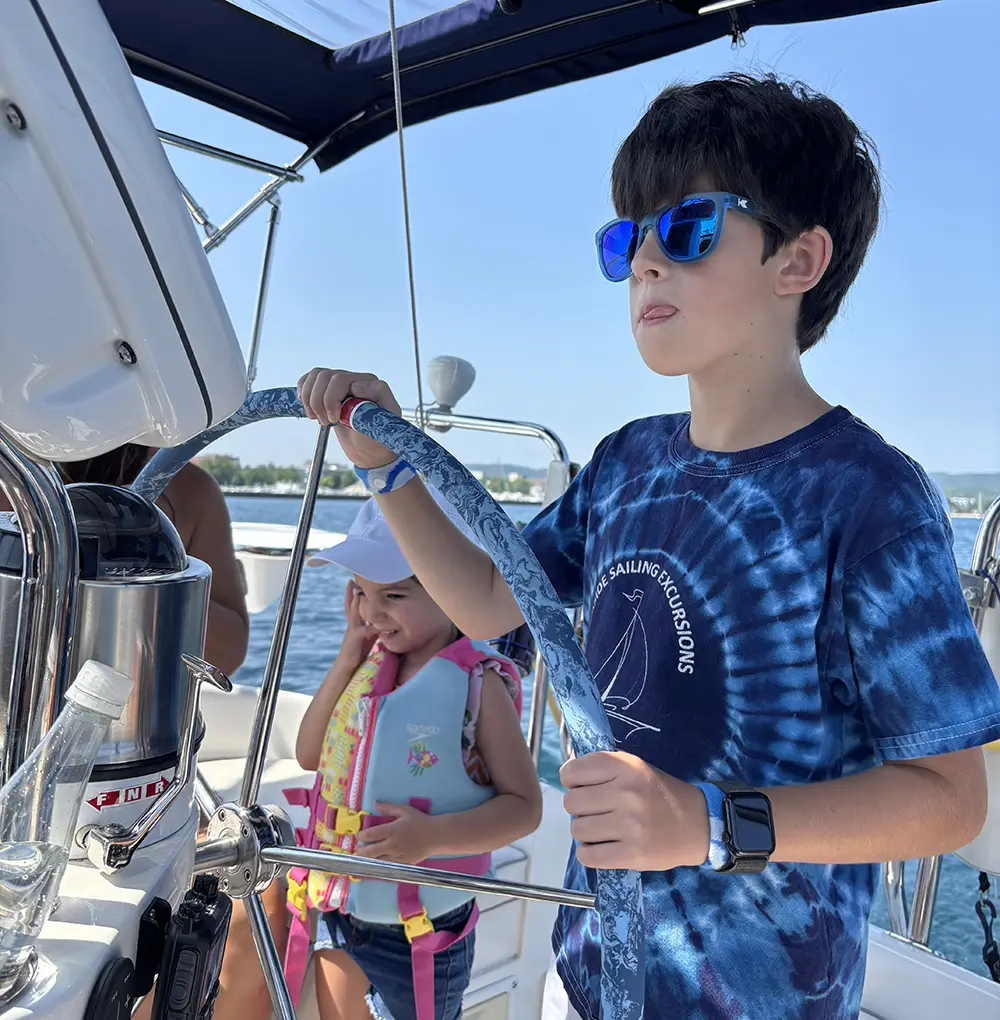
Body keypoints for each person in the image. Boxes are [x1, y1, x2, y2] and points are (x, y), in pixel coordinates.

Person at [294, 71, 1000, 1020]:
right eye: (627, 238)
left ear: (799, 261)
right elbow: (488, 603)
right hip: (594, 973)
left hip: (763, 999)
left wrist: (707, 824)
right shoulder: (627, 461)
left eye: (688, 228)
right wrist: (386, 466)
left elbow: (951, 800)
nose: (644, 264)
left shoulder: (872, 498)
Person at [1, 444, 285, 1020]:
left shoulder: (188, 491)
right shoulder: (11, 478)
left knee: (262, 905)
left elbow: (228, 646)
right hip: (18, 762)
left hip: (147, 772)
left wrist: (140, 596)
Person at [288, 492, 543, 1020]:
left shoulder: (477, 686)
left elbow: (524, 807)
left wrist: (431, 837)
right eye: (360, 592)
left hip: (420, 930)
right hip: (341, 908)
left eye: (394, 596)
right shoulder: (367, 665)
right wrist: (346, 658)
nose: (372, 612)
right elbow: (310, 754)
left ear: (454, 591)